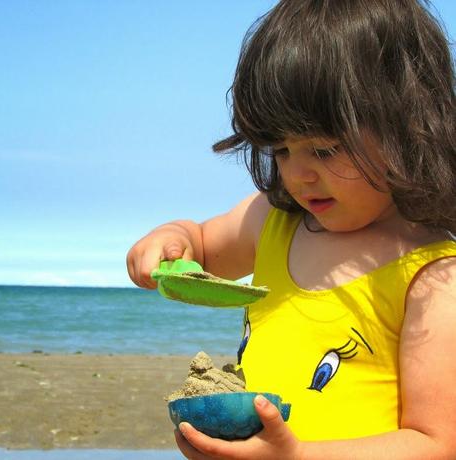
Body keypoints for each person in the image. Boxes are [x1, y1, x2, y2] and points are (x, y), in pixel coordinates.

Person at [127, 0, 456, 458]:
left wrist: (297, 456)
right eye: (281, 149)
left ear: (409, 128)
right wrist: (170, 239)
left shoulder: (434, 280)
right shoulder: (272, 220)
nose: (297, 173)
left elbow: (437, 444)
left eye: (323, 150)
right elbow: (200, 244)